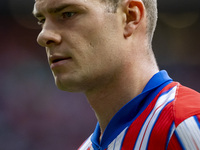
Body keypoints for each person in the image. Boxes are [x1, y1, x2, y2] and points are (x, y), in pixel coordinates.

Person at [33, 0, 200, 149]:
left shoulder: (187, 123)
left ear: (130, 17)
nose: (43, 36)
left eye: (67, 14)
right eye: (42, 20)